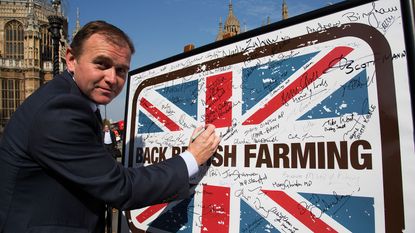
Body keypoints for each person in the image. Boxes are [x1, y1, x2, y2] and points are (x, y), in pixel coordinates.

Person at [0, 20, 221, 233]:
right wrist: (192, 158)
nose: (112, 78)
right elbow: (120, 188)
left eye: (121, 70)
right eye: (102, 64)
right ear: (70, 59)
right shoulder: (60, 110)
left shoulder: (74, 101)